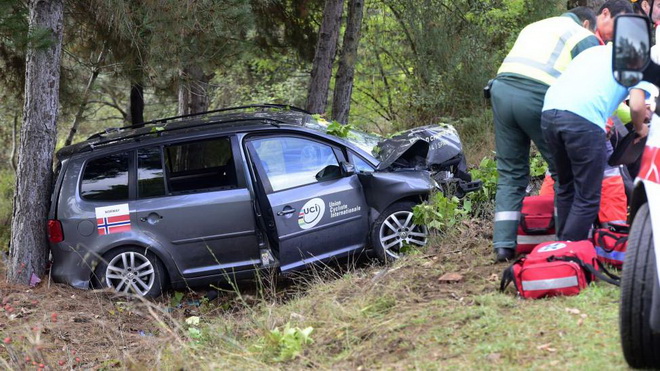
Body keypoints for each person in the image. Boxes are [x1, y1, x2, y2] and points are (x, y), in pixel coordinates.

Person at [489, 7, 602, 262]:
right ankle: (567, 242)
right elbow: (593, 79)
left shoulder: (536, 26)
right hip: (539, 96)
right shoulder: (581, 35)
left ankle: (504, 245)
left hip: (501, 91)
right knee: (565, 172)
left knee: (510, 172)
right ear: (587, 23)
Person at [541, 43, 655, 242]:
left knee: (566, 187)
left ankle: (561, 250)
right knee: (588, 198)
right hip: (583, 120)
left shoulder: (593, 51)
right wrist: (640, 128)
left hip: (549, 114)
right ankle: (569, 253)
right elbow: (637, 106)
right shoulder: (637, 59)